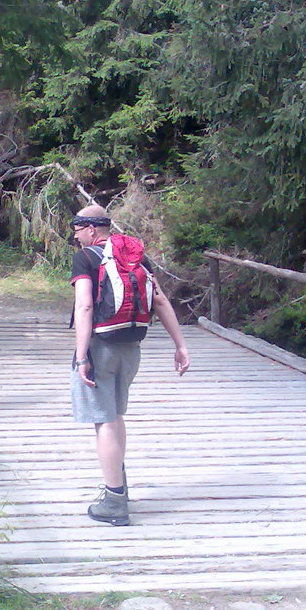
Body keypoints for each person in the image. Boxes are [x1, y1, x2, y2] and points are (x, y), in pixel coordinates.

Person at [69, 205, 190, 526]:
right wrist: (180, 344)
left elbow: (84, 306)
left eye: (77, 226)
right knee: (116, 416)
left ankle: (114, 501)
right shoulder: (133, 255)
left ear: (93, 229)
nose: (74, 233)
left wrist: (82, 356)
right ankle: (118, 484)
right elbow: (161, 300)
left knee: (104, 421)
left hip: (100, 347)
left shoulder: (87, 257)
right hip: (131, 348)